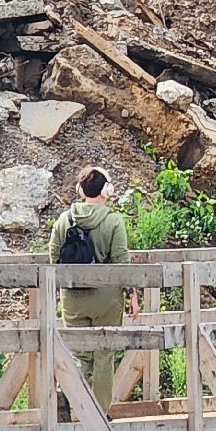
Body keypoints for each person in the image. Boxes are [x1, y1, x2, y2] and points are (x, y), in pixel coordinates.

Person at [46, 166, 137, 408]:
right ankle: (99, 414)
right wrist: (132, 295)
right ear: (107, 190)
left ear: (80, 189)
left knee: (78, 353)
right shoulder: (113, 221)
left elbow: (54, 256)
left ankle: (65, 395)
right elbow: (121, 261)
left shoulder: (64, 220)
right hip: (105, 299)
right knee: (103, 354)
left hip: (73, 297)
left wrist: (64, 285)